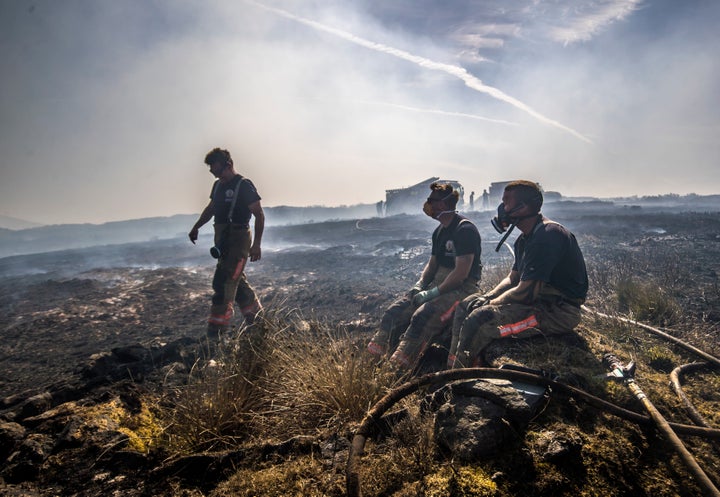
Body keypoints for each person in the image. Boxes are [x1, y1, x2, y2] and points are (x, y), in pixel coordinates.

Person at [448, 180, 588, 368]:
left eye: (506, 202)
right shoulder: (524, 240)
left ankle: (459, 377)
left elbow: (526, 292)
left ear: (523, 207)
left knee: (479, 320)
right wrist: (487, 297)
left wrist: (490, 304)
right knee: (465, 306)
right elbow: (512, 279)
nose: (502, 208)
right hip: (539, 303)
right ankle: (453, 365)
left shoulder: (548, 236)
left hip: (558, 312)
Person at [367, 182, 482, 370]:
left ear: (443, 205)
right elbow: (432, 264)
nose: (427, 204)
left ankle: (398, 369)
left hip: (461, 288)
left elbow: (461, 274)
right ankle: (374, 361)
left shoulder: (464, 230)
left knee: (423, 316)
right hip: (439, 283)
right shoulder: (440, 231)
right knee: (394, 313)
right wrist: (420, 286)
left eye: (431, 200)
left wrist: (432, 294)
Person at [189, 147, 265, 337]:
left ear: (229, 165)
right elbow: (211, 208)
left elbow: (259, 214)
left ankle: (216, 336)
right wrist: (196, 226)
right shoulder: (217, 186)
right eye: (213, 173)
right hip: (223, 240)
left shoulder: (244, 185)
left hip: (239, 241)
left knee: (223, 285)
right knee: (238, 283)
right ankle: (260, 325)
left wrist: (256, 245)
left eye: (218, 171)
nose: (217, 176)